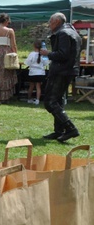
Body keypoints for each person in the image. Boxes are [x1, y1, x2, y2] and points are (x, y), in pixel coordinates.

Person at [41, 12, 81, 142]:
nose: (49, 24)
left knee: (50, 101)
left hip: (61, 70)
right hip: (69, 70)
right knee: (58, 100)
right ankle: (59, 131)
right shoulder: (73, 32)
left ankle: (70, 128)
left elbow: (62, 54)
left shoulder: (63, 33)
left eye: (51, 22)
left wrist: (49, 54)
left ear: (57, 22)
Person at [25, 40, 46, 104]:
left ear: (34, 46)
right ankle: (37, 100)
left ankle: (29, 99)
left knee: (31, 86)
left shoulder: (31, 54)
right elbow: (46, 63)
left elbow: (27, 62)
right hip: (40, 72)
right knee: (38, 87)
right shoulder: (43, 55)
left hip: (32, 72)